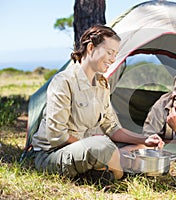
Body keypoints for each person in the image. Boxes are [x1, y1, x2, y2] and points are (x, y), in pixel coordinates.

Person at [31, 24, 164, 182]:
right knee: (103, 146)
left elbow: (112, 129)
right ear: (91, 47)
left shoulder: (102, 85)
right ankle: (118, 174)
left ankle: (104, 169)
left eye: (115, 54)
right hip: (52, 154)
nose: (113, 59)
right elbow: (57, 135)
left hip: (88, 149)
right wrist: (96, 146)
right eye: (109, 52)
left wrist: (144, 139)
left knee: (141, 148)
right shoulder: (63, 81)